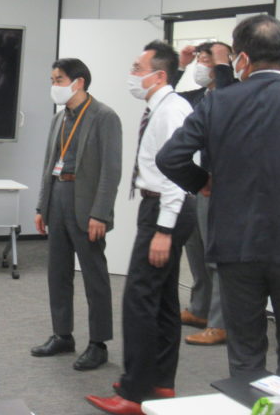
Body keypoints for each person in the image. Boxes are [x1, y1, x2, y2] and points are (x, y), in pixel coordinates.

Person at [157, 14, 280, 378]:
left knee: (245, 351)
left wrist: (201, 182)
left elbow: (170, 157)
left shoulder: (219, 101)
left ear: (241, 58)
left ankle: (248, 397)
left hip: (235, 242)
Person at [87, 41, 196, 415]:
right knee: (162, 299)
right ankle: (160, 382)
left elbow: (178, 173)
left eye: (137, 68)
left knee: (139, 299)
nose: (132, 75)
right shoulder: (162, 105)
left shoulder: (172, 110)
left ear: (159, 75)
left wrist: (163, 230)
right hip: (160, 207)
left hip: (166, 209)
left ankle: (133, 394)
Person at [31, 58, 122, 371]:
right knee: (57, 272)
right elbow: (49, 164)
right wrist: (42, 206)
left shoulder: (104, 116)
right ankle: (62, 335)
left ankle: (98, 344)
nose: (54, 85)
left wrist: (101, 213)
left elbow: (111, 171)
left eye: (59, 79)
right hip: (58, 196)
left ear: (78, 82)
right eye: (53, 80)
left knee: (94, 276)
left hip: (87, 205)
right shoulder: (59, 118)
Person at [175, 42, 234, 346]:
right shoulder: (198, 96)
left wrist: (224, 65)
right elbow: (166, 98)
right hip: (194, 182)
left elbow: (226, 98)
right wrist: (181, 65)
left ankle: (220, 323)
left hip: (218, 184)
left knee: (216, 253)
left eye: (206, 59)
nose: (201, 64)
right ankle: (200, 309)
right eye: (198, 59)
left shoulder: (233, 92)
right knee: (195, 248)